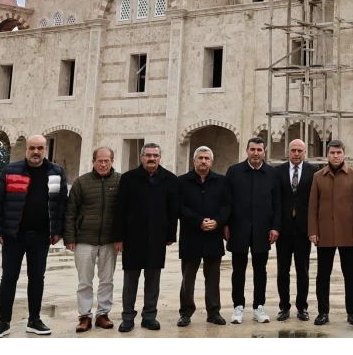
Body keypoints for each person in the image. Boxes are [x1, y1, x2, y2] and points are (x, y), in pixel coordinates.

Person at [0, 135, 67, 339]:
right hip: (13, 236)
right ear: (26, 149)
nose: (36, 152)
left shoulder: (56, 172)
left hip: (41, 237)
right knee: (9, 278)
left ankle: (34, 319)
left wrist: (58, 230)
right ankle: (3, 322)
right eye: (32, 148)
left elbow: (61, 206)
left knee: (37, 279)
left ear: (45, 149)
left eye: (40, 148)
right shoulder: (10, 171)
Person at [113, 143, 180, 332]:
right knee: (130, 280)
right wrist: (118, 237)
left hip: (157, 237)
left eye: (155, 155)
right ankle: (127, 317)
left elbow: (172, 210)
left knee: (153, 280)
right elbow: (120, 209)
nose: (152, 158)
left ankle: (149, 316)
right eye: (148, 155)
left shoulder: (170, 179)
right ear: (141, 157)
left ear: (160, 157)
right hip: (132, 237)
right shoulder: (128, 178)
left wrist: (170, 235)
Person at [308, 140, 353, 326]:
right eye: (332, 152)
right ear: (327, 155)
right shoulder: (318, 177)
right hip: (324, 234)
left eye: (339, 152)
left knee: (350, 274)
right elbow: (312, 207)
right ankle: (323, 312)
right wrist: (313, 231)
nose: (335, 156)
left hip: (348, 234)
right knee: (322, 275)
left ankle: (352, 312)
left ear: (344, 154)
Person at [224, 137, 281, 324]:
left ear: (264, 151)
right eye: (252, 149)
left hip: (262, 230)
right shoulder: (234, 172)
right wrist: (225, 224)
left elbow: (277, 203)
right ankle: (238, 307)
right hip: (238, 229)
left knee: (260, 270)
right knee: (238, 270)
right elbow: (227, 201)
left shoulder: (272, 173)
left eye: (259, 149)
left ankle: (259, 307)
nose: (255, 153)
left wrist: (275, 227)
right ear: (247, 151)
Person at [64, 147, 120, 332]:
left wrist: (122, 238)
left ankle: (103, 314)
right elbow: (70, 212)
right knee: (84, 281)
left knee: (107, 280)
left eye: (107, 160)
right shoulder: (81, 182)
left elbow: (125, 212)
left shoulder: (120, 181)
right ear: (93, 161)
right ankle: (84, 316)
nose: (103, 164)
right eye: (100, 160)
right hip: (84, 240)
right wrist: (70, 238)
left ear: (112, 161)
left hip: (109, 241)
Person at [177, 146, 231, 327]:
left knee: (213, 277)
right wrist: (199, 221)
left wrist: (217, 221)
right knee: (188, 278)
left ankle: (214, 312)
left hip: (213, 236)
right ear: (194, 161)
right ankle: (185, 312)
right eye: (200, 158)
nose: (203, 161)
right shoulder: (182, 182)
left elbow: (227, 206)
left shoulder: (221, 181)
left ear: (212, 162)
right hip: (191, 235)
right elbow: (180, 207)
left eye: (207, 158)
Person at [275, 139, 318, 322]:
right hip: (283, 230)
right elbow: (275, 201)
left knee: (303, 269)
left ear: (304, 152)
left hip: (303, 228)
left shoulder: (313, 172)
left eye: (300, 150)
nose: (296, 153)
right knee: (282, 270)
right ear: (288, 151)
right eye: (293, 150)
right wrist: (275, 227)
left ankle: (302, 307)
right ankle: (284, 307)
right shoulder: (278, 172)